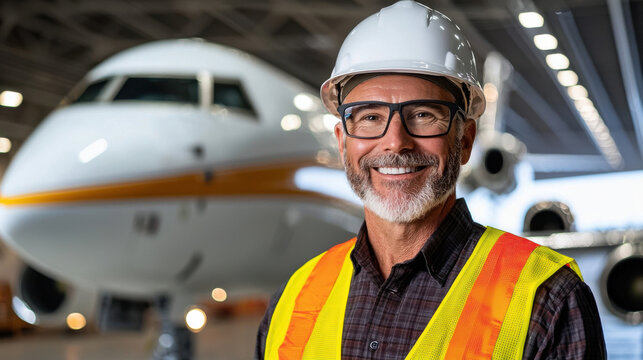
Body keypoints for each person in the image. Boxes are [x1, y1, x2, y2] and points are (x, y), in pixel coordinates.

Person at [255, 1, 606, 359]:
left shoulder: (547, 300)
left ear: (465, 141)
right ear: (342, 142)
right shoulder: (292, 301)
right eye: (370, 117)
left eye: (423, 115)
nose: (395, 142)